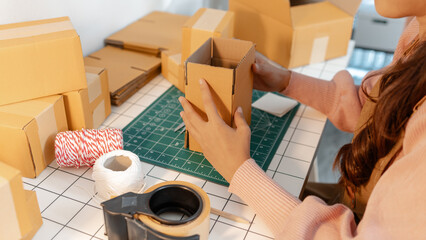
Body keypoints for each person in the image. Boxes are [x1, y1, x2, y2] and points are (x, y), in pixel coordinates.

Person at [178, 0, 426, 238]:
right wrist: (289, 81)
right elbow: (381, 112)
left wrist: (239, 169)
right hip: (357, 199)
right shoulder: (419, 30)